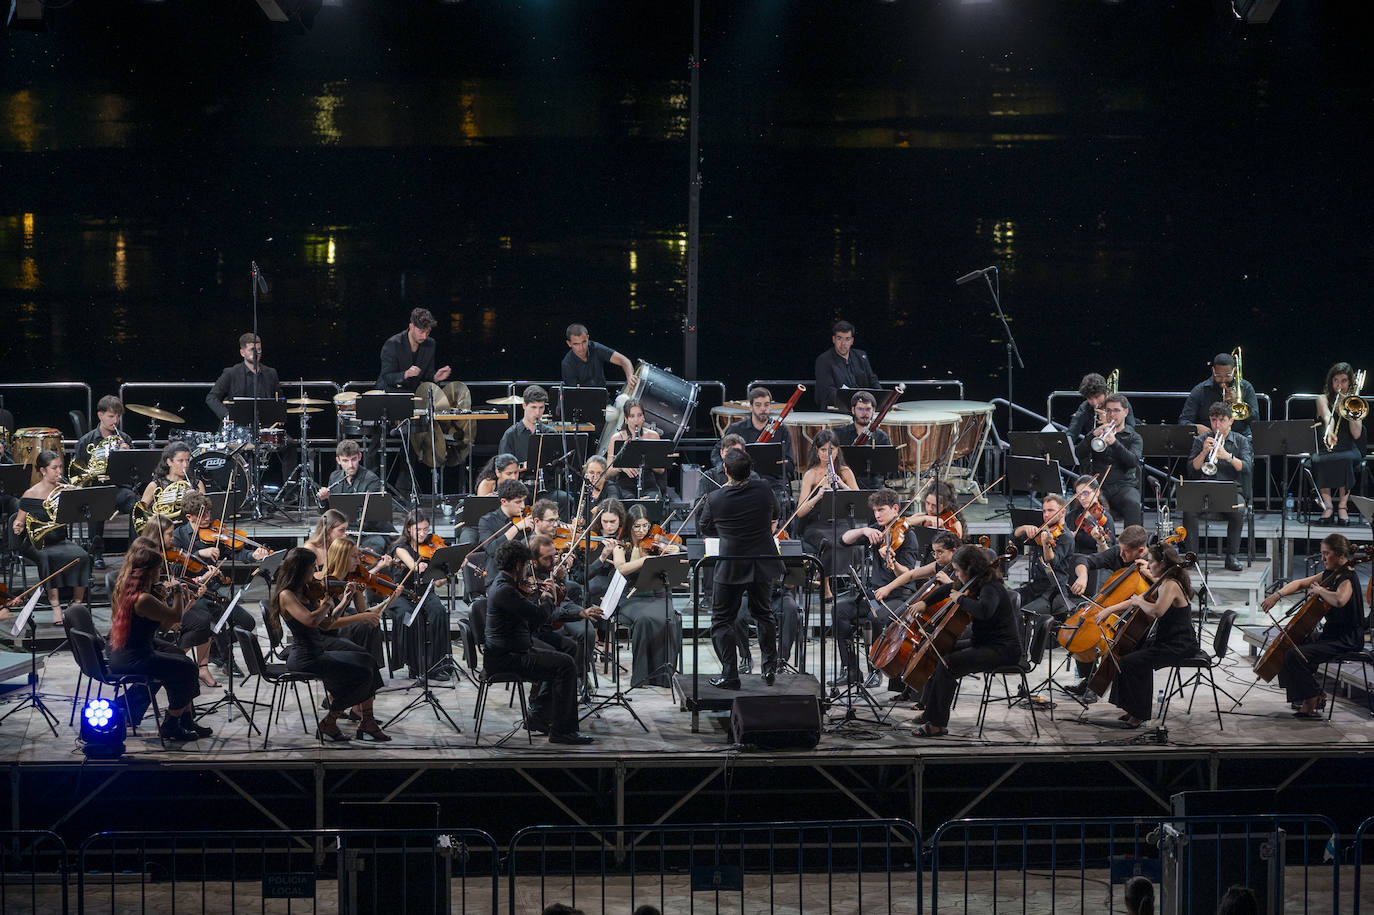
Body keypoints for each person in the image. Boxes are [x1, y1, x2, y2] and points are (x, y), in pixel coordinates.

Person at [269, 547, 389, 742]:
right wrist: (326, 602)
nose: (315, 570)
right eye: (312, 566)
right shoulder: (287, 595)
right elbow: (310, 620)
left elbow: (326, 623)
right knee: (361, 674)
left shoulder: (306, 592)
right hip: (305, 659)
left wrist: (345, 599)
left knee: (368, 660)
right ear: (301, 569)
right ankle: (330, 722)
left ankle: (366, 721)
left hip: (318, 652)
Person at [483, 540, 595, 744]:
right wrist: (548, 597)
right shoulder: (505, 591)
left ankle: (539, 716)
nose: (527, 569)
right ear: (518, 565)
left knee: (560, 657)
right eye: (525, 564)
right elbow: (538, 616)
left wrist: (538, 594)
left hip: (512, 651)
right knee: (566, 665)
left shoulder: (507, 584)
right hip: (507, 658)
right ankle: (562, 731)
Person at [912, 544, 1022, 737]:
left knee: (949, 665)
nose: (955, 575)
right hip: (985, 643)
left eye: (957, 570)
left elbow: (984, 611)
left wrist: (961, 599)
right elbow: (948, 589)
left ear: (970, 568)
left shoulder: (991, 586)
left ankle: (937, 724)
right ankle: (932, 712)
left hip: (1003, 650)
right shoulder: (976, 582)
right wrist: (924, 602)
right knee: (943, 652)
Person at [107, 538, 211, 741]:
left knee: (180, 657)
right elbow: (176, 618)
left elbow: (163, 628)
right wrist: (179, 592)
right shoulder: (143, 599)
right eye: (159, 568)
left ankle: (185, 719)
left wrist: (167, 598)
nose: (161, 573)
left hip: (129, 650)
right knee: (187, 669)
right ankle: (172, 723)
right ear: (150, 570)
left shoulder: (132, 589)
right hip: (134, 657)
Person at [697, 449, 782, 688]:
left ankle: (730, 674)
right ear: (750, 470)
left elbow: (705, 528)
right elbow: (776, 513)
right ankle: (768, 669)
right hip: (762, 562)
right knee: (763, 613)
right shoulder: (764, 489)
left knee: (722, 619)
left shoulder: (715, 498)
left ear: (725, 471)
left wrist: (727, 533)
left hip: (732, 564)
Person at [1091, 542, 1199, 728]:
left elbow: (1156, 611)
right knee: (1127, 656)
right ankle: (1132, 709)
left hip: (1178, 644)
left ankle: (1139, 714)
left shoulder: (1171, 584)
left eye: (1151, 562)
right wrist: (1109, 609)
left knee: (1132, 662)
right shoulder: (1164, 581)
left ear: (1162, 563)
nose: (1148, 566)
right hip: (1166, 640)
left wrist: (1140, 602)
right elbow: (1139, 601)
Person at [166, 492, 266, 685]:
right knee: (214, 622)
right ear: (189, 517)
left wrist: (254, 556)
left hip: (214, 590)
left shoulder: (215, 532)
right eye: (202, 515)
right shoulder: (178, 537)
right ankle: (227, 660)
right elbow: (175, 569)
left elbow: (236, 552)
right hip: (193, 593)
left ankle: (214, 650)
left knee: (247, 623)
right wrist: (198, 553)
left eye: (209, 513)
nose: (208, 518)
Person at [1263, 533, 1366, 718]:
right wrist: (1277, 595)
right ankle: (1306, 693)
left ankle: (1311, 698)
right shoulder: (1330, 574)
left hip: (1346, 639)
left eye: (1327, 554)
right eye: (1322, 553)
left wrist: (1319, 590)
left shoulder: (1348, 578)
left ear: (1340, 554)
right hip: (1331, 635)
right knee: (1290, 645)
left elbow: (1340, 600)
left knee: (1296, 655)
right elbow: (1300, 583)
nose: (1323, 558)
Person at [834, 489, 922, 688]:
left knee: (878, 616)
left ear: (895, 509)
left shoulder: (908, 536)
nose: (877, 515)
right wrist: (864, 531)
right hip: (876, 594)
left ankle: (875, 670)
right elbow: (843, 540)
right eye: (875, 511)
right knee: (839, 610)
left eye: (881, 510)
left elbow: (907, 574)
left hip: (900, 595)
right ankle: (851, 670)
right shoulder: (877, 530)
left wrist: (891, 561)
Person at [1062, 523, 1151, 695]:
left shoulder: (1152, 562)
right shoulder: (1119, 553)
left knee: (1115, 639)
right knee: (1082, 629)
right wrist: (1083, 576)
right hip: (1112, 611)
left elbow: (1145, 597)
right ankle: (1088, 680)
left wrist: (1110, 610)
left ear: (1140, 551)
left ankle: (1097, 686)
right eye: (1120, 549)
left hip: (1138, 618)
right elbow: (1083, 559)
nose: (1121, 554)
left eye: (1126, 552)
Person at [11, 450, 91, 625]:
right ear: (43, 470)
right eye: (54, 468)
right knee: (46, 557)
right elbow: (19, 521)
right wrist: (18, 526)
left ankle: (76, 603)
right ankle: (56, 607)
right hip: (36, 542)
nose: (59, 471)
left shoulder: (64, 490)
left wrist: (76, 496)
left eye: (60, 467)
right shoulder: (31, 493)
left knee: (83, 556)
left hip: (59, 539)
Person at [1183, 402, 1253, 572]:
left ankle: (1232, 557)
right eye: (1214, 420)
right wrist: (1204, 452)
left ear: (1231, 421)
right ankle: (1192, 557)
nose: (1217, 425)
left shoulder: (1241, 441)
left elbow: (1247, 467)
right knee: (1188, 510)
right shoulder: (1201, 440)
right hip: (1205, 489)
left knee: (1238, 510)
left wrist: (1227, 456)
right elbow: (1192, 469)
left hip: (1231, 490)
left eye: (1222, 420)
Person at [389, 510, 456, 681]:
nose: (423, 533)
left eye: (426, 529)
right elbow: (413, 565)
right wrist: (421, 566)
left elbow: (438, 583)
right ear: (408, 529)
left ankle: (436, 665)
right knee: (413, 616)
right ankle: (416, 666)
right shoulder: (400, 548)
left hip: (425, 592)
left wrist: (450, 570)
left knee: (439, 612)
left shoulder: (431, 548)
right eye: (418, 529)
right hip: (403, 595)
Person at [71, 394, 137, 568]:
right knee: (95, 502)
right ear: (100, 416)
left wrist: (126, 456)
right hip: (95, 489)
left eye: (118, 416)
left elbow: (133, 474)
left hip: (118, 490)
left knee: (136, 504)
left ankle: (133, 553)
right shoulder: (86, 441)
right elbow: (78, 474)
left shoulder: (125, 439)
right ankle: (97, 554)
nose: (115, 420)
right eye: (111, 416)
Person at [793, 429, 860, 597]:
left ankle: (848, 584)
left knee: (847, 539)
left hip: (841, 522)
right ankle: (825, 583)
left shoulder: (845, 471)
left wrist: (842, 485)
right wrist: (818, 496)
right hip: (817, 524)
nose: (827, 454)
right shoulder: (811, 474)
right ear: (817, 450)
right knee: (828, 542)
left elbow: (859, 501)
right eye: (823, 450)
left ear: (837, 450)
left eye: (831, 450)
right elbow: (800, 512)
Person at [1076, 393, 1144, 527]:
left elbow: (1132, 462)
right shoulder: (1098, 433)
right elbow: (1079, 453)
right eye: (1109, 411)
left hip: (1124, 486)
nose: (1112, 415)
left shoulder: (1134, 437)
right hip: (1100, 487)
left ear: (1126, 412)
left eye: (1116, 410)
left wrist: (1114, 443)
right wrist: (1091, 436)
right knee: (1080, 501)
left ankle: (1132, 544)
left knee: (1133, 503)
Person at [1312, 362, 1367, 525]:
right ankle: (1328, 506)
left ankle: (1343, 507)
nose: (1339, 385)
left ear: (1349, 382)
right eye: (1336, 380)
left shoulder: (1355, 402)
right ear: (1331, 382)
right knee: (1318, 459)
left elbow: (1356, 434)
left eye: (1343, 381)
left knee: (1345, 459)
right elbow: (1327, 416)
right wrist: (1329, 429)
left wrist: (1348, 408)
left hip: (1349, 447)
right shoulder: (1321, 399)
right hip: (1328, 446)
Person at [1010, 493, 1076, 622]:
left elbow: (1051, 561)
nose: (1046, 515)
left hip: (1053, 592)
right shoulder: (1043, 531)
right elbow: (1014, 538)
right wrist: (1023, 528)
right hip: (1035, 587)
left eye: (1050, 510)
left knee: (1021, 616)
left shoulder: (1066, 537)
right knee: (1007, 600)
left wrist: (1046, 543)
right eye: (1044, 511)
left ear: (1063, 512)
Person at [316, 439, 387, 553]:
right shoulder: (334, 477)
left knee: (376, 544)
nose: (350, 465)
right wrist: (323, 500)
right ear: (338, 460)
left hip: (364, 533)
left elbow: (374, 518)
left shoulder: (371, 480)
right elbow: (326, 514)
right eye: (345, 461)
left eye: (353, 459)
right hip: (341, 532)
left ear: (359, 456)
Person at [206, 333, 281, 423]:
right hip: (238, 427)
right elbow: (211, 397)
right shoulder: (231, 373)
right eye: (252, 350)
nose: (256, 353)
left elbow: (279, 399)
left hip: (265, 426)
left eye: (259, 349)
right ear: (242, 353)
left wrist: (279, 414)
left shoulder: (271, 373)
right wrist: (227, 414)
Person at [1179, 352, 1258, 438]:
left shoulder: (1246, 387)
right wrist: (1196, 427)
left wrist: (1238, 403)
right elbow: (1183, 421)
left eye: (1228, 375)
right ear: (1213, 371)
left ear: (1234, 371)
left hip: (1240, 438)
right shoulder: (1200, 390)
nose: (1223, 380)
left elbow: (1255, 421)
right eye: (1218, 376)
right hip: (1210, 438)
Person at [378, 307, 452, 392]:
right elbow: (387, 377)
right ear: (411, 327)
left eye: (428, 332)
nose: (424, 336)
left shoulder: (430, 344)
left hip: (412, 394)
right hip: (390, 394)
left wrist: (435, 377)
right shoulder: (393, 344)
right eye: (421, 332)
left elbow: (427, 375)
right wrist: (405, 374)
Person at [477, 479, 536, 582]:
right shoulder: (487, 521)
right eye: (518, 502)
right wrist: (516, 528)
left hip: (525, 577)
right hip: (497, 579)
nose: (523, 506)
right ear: (504, 501)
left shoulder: (526, 518)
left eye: (523, 500)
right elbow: (492, 549)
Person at [814, 320, 880, 411]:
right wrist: (858, 402)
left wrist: (881, 400)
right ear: (833, 339)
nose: (843, 344)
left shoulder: (861, 356)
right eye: (839, 338)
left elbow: (873, 380)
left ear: (852, 341)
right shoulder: (824, 360)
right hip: (836, 411)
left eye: (847, 339)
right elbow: (828, 392)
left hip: (862, 410)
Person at [833, 390, 893, 489]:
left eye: (868, 409)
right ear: (853, 410)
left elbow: (888, 470)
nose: (864, 413)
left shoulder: (882, 437)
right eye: (860, 409)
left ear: (873, 410)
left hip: (875, 488)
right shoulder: (839, 434)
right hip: (845, 485)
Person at [137, 440, 205, 525]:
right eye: (180, 461)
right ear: (169, 462)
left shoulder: (197, 484)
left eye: (187, 460)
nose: (185, 465)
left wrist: (196, 499)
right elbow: (140, 513)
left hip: (188, 530)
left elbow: (204, 513)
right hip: (163, 530)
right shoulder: (154, 486)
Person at [606, 400, 665, 495]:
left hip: (648, 484)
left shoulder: (653, 436)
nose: (636, 420)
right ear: (626, 418)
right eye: (632, 416)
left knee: (653, 501)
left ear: (643, 417)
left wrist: (648, 460)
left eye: (639, 415)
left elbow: (661, 470)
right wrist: (622, 467)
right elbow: (608, 472)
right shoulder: (617, 438)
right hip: (625, 485)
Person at [561, 323, 634, 389]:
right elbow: (573, 395)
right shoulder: (567, 364)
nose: (581, 348)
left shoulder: (596, 348)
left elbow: (624, 360)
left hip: (604, 399)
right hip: (583, 401)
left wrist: (630, 376)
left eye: (584, 342)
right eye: (576, 344)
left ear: (588, 338)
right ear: (569, 343)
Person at [1066, 373, 1137, 438]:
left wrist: (1109, 423)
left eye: (1097, 397)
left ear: (1106, 392)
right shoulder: (1085, 407)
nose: (1094, 403)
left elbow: (1132, 432)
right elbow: (1072, 433)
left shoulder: (1121, 404)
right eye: (1089, 398)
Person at [1065, 473, 1117, 561]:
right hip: (1072, 562)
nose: (1082, 498)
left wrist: (1100, 541)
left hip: (1093, 565)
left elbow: (1108, 556)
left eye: (1086, 493)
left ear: (1097, 492)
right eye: (1078, 495)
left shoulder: (1105, 519)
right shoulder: (1072, 516)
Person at [498, 385, 551, 468]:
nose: (537, 412)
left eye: (541, 407)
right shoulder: (510, 435)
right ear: (524, 406)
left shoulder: (550, 433)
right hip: (519, 480)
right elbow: (503, 467)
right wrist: (523, 466)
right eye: (533, 407)